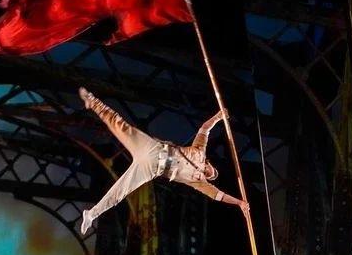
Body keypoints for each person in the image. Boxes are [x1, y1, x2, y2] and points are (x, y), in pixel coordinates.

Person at [78, 88, 249, 235]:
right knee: (121, 126)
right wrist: (218, 117)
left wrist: (239, 203)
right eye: (211, 172)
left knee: (120, 192)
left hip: (152, 169)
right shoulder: (199, 150)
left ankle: (91, 214)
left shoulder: (199, 182)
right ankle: (92, 101)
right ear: (210, 165)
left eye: (209, 177)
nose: (208, 174)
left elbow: (219, 195)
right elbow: (205, 128)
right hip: (155, 149)